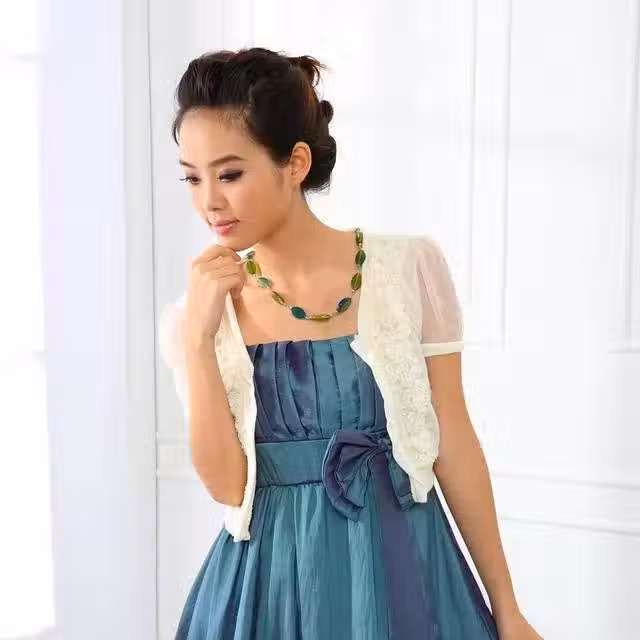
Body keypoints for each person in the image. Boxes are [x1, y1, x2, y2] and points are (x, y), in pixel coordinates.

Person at [160, 46, 543, 640]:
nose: (208, 200)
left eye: (229, 174)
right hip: (274, 585)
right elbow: (227, 487)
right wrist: (197, 339)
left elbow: (454, 440)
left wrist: (507, 607)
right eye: (192, 177)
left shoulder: (407, 268)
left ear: (295, 163)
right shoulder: (198, 316)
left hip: (405, 562)